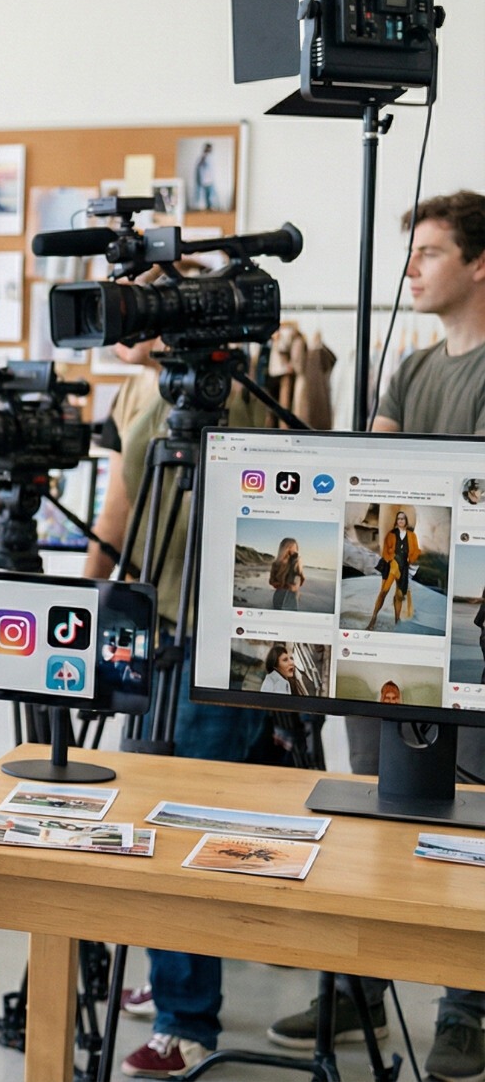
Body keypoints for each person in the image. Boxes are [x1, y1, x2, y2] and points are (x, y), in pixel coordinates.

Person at [269, 191, 485, 1080]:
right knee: (366, 794)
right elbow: (370, 463)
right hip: (388, 634)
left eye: (430, 253)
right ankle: (353, 987)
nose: (413, 269)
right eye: (412, 254)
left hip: (467, 628)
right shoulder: (412, 367)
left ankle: (466, 1001)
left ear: (479, 263)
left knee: (464, 813)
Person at [82, 333, 278, 1079]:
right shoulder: (153, 408)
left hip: (222, 640)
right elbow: (122, 514)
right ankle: (175, 990)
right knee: (150, 817)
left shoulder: (242, 410)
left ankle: (186, 1018)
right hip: (158, 626)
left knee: (189, 823)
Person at [369, 510, 416, 629]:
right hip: (391, 564)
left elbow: (415, 550)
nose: (401, 520)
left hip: (404, 566)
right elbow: (385, 551)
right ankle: (373, 619)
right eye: (399, 518)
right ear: (396, 521)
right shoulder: (391, 534)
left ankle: (397, 622)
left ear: (406, 521)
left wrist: (412, 559)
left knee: (399, 595)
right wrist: (392, 560)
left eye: (403, 518)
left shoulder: (411, 535)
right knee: (383, 592)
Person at [269, 538, 304, 611]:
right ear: (287, 548)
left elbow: (272, 582)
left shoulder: (276, 563)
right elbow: (300, 580)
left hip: (281, 595)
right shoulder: (294, 562)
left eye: (296, 548)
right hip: (287, 596)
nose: (296, 550)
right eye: (294, 548)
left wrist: (282, 584)